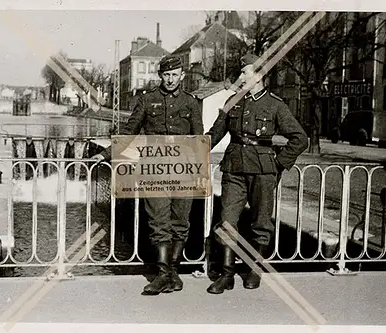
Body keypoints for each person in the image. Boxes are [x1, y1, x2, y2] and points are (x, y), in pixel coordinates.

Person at [93, 55, 204, 295]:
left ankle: (173, 273)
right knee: (158, 222)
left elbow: (198, 139)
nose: (171, 79)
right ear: (160, 76)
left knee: (181, 223)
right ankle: (163, 274)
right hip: (153, 168)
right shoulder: (147, 100)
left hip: (183, 169)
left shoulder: (192, 103)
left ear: (182, 76)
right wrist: (105, 154)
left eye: (175, 75)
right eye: (167, 75)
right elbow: (129, 131)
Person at [205, 54, 308, 294]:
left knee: (260, 223)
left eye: (245, 73)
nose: (240, 77)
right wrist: (188, 150)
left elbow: (300, 138)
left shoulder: (275, 105)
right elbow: (214, 134)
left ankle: (254, 270)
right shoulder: (233, 101)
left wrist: (278, 163)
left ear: (259, 76)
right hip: (234, 169)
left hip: (263, 171)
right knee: (227, 220)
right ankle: (227, 274)